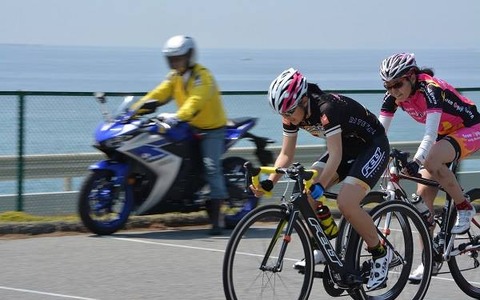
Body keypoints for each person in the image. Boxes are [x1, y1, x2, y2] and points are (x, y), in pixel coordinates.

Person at [250, 68, 391, 291]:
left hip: (371, 145)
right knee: (307, 195)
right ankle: (323, 249)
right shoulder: (291, 114)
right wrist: (269, 182)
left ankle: (381, 254)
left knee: (346, 202)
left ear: (304, 99)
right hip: (345, 147)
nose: (287, 118)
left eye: (289, 112)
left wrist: (320, 185)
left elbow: (334, 156)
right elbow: (286, 155)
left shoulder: (327, 109)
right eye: (283, 114)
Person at [378, 53, 480, 280]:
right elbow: (378, 134)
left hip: (470, 127)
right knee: (422, 199)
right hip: (445, 135)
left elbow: (430, 133)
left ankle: (464, 207)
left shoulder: (431, 89)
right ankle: (429, 260)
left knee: (432, 161)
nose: (394, 91)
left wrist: (416, 161)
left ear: (412, 77)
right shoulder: (394, 97)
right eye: (388, 85)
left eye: (398, 84)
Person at [130, 35, 229, 235]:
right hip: (188, 126)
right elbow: (157, 94)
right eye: (172, 59)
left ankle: (217, 219)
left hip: (211, 129)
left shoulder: (203, 76)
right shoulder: (174, 77)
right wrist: (134, 110)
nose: (175, 62)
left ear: (190, 56)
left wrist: (178, 116)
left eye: (179, 58)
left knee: (211, 167)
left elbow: (195, 101)